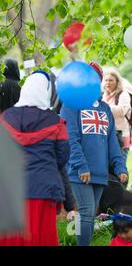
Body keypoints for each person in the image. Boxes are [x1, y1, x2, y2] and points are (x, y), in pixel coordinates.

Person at [60, 63, 128, 246]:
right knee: (87, 212)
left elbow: (112, 142)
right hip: (79, 171)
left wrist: (120, 166)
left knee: (89, 214)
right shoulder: (71, 105)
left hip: (100, 172)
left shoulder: (105, 109)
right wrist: (81, 166)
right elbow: (70, 139)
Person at [0, 71, 69, 245]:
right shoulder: (55, 121)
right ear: (46, 92)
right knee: (40, 238)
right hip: (43, 187)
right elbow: (62, 156)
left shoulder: (5, 117)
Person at [102, 69, 132, 165]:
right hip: (108, 137)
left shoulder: (123, 94)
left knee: (120, 168)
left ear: (117, 82)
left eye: (111, 80)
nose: (108, 83)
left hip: (121, 137)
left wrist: (104, 107)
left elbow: (122, 111)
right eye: (106, 80)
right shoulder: (104, 96)